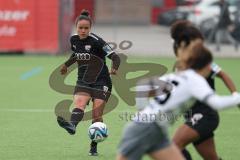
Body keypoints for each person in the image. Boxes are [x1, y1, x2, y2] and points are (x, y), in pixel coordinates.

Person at [116, 40, 240, 160]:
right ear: (207, 65)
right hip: (144, 129)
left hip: (154, 130)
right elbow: (216, 103)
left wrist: (143, 112)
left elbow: (142, 87)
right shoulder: (196, 80)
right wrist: (237, 97)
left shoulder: (175, 75)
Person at [171, 20, 238, 160]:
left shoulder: (200, 60)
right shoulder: (181, 64)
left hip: (205, 115)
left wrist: (235, 95)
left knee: (174, 147)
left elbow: (222, 74)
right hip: (193, 115)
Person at [57, 9, 120, 156]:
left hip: (101, 80)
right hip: (83, 80)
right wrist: (66, 65)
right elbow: (76, 54)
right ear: (76, 27)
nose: (83, 31)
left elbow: (115, 57)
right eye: (80, 28)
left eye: (86, 28)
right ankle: (72, 125)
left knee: (97, 115)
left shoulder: (97, 41)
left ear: (90, 28)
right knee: (79, 104)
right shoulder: (73, 40)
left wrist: (115, 68)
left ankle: (93, 147)